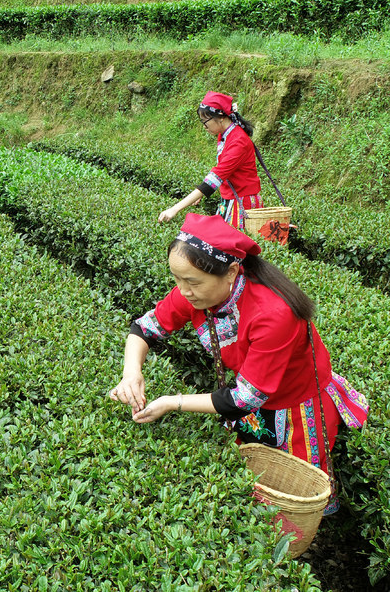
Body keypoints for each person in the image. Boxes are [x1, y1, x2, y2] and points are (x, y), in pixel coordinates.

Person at [110, 214, 368, 501]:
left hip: (295, 401)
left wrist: (173, 402)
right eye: (176, 279)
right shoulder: (197, 291)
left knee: (291, 493)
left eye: (192, 282)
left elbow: (244, 399)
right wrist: (131, 372)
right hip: (248, 393)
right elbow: (143, 328)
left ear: (232, 272)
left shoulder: (273, 313)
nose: (183, 291)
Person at [158, 92, 262, 229]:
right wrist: (200, 193)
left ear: (220, 118)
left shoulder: (239, 142)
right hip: (229, 200)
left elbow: (216, 177)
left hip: (242, 203)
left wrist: (174, 209)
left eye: (205, 122)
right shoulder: (224, 135)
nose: (204, 127)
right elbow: (221, 172)